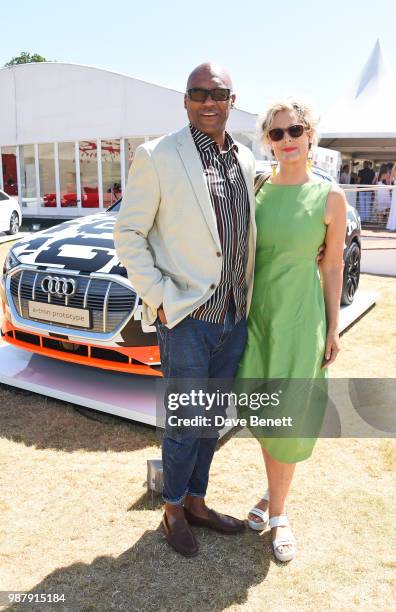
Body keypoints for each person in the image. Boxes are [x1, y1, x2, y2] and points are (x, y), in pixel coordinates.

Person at [113, 63, 257, 557]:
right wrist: (160, 299)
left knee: (211, 419)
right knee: (184, 421)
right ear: (185, 100)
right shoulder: (157, 155)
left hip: (234, 317)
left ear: (232, 100)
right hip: (187, 319)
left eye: (217, 93)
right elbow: (128, 234)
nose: (208, 102)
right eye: (198, 94)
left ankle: (197, 500)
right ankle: (172, 507)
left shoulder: (245, 159)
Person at [236, 99, 346, 562]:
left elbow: (333, 265)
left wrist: (333, 328)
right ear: (267, 140)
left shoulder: (330, 197)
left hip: (301, 322)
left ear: (309, 135)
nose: (286, 140)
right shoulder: (255, 189)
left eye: (294, 130)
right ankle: (271, 495)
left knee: (289, 415)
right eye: (277, 133)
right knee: (263, 414)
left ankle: (279, 513)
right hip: (258, 320)